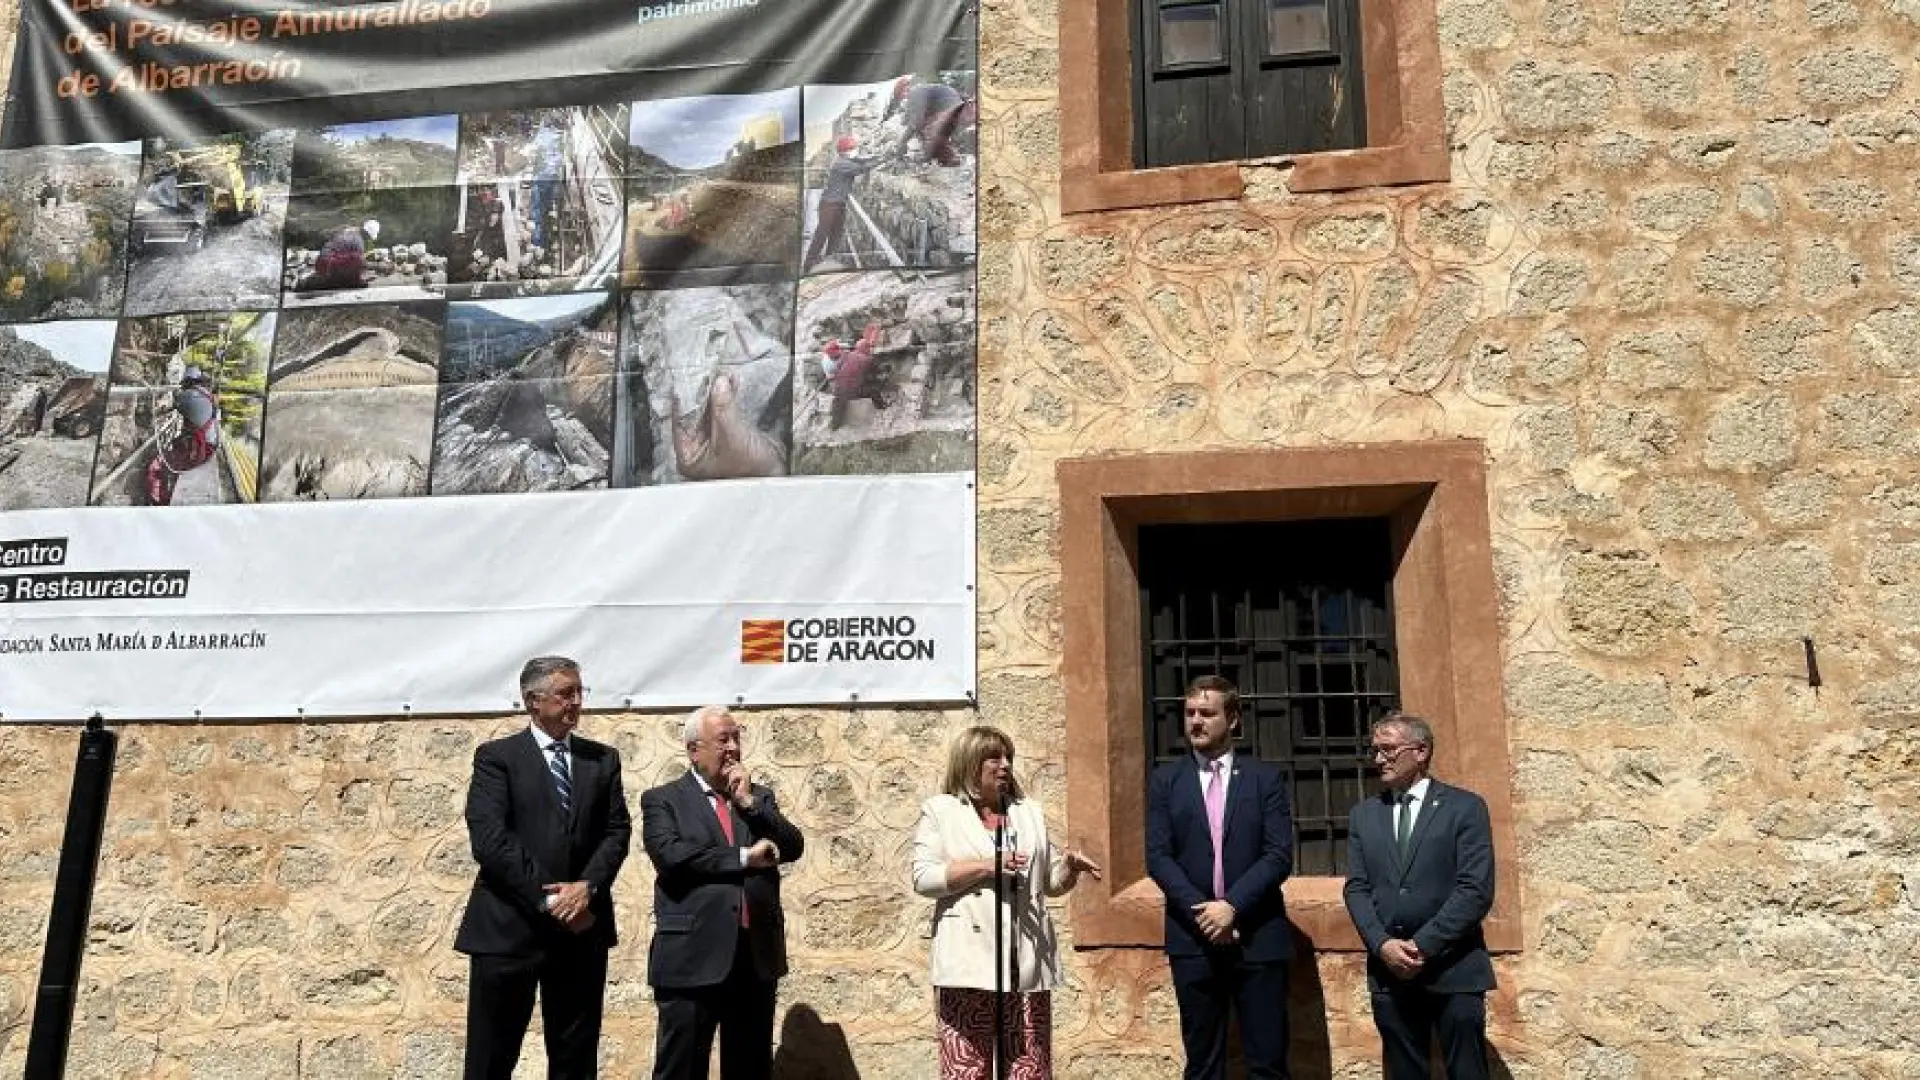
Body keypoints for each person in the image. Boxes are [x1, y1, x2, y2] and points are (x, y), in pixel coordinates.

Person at [453, 656, 632, 1080]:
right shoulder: (497, 759)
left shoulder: (601, 760)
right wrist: (552, 897)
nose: (576, 702)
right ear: (533, 701)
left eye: (578, 692)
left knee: (575, 1059)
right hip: (508, 931)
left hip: (580, 930)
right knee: (491, 1058)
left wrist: (586, 887)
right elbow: (492, 841)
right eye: (565, 693)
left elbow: (617, 831)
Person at [911, 725, 1102, 1079]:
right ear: (969, 764)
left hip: (1025, 964)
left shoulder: (1028, 812)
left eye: (1008, 758)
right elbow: (924, 878)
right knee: (967, 1070)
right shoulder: (941, 811)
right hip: (968, 965)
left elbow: (1048, 882)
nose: (1005, 766)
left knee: (1029, 1069)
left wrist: (1069, 868)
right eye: (994, 758)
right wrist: (986, 866)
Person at [642, 705, 805, 1080]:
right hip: (692, 956)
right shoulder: (663, 799)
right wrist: (744, 857)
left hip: (753, 956)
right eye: (723, 739)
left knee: (750, 1067)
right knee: (681, 1067)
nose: (732, 747)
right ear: (694, 749)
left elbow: (793, 846)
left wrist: (749, 804)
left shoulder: (757, 798)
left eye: (736, 737)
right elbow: (672, 857)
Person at [1146, 674, 1296, 1079]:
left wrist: (1231, 907)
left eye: (1207, 713)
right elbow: (1158, 857)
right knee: (1202, 1063)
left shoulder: (1265, 779)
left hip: (1257, 935)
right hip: (1192, 937)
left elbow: (1279, 854)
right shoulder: (1166, 781)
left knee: (1267, 1061)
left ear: (1232, 719)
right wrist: (1206, 914)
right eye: (1190, 713)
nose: (1195, 721)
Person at [1343, 712, 1495, 1080]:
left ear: (1421, 750)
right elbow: (1357, 888)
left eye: (1389, 750)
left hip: (1454, 967)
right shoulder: (1365, 815)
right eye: (1375, 750)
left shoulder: (1465, 807)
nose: (1378, 759)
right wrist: (1383, 945)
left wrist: (1422, 945)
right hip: (1390, 973)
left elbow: (1475, 889)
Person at [144, 366, 220, 506]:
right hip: (208, 446)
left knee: (155, 466)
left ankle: (158, 502)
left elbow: (169, 404)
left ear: (187, 381)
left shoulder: (189, 395)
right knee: (175, 447)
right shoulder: (208, 395)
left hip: (198, 451)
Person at [804, 134, 880, 269]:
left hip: (839, 203)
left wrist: (875, 156)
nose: (856, 151)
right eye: (854, 148)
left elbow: (859, 159)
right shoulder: (842, 164)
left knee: (836, 233)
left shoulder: (845, 160)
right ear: (846, 151)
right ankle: (808, 264)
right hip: (829, 204)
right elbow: (862, 168)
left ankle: (829, 259)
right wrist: (881, 159)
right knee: (822, 233)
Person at [885, 76, 978, 166]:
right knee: (928, 137)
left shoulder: (915, 92)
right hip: (961, 113)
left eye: (899, 94)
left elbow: (916, 122)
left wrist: (903, 142)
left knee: (928, 136)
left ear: (905, 88)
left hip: (953, 113)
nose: (903, 99)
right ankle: (947, 160)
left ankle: (932, 162)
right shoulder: (929, 91)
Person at [295, 218, 380, 292]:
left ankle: (318, 279)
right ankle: (353, 282)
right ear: (367, 234)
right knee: (357, 259)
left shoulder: (349, 230)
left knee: (354, 259)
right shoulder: (358, 240)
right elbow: (358, 263)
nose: (368, 240)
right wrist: (359, 279)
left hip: (322, 262)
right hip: (329, 264)